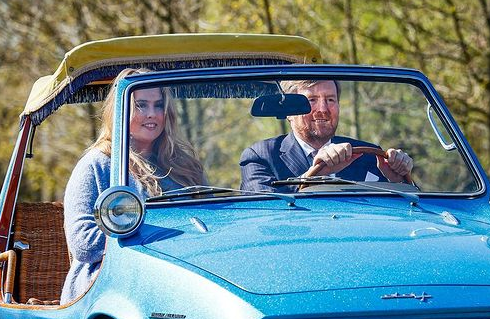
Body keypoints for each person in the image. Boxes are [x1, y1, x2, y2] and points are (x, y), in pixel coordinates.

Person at [60, 68, 205, 304]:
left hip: (186, 277)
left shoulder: (186, 166)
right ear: (119, 110)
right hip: (108, 288)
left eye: (159, 105)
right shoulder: (97, 165)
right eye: (141, 105)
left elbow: (212, 220)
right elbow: (83, 242)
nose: (152, 114)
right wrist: (163, 237)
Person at [240, 80, 413, 192]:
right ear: (289, 113)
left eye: (330, 100)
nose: (322, 109)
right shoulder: (261, 156)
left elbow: (406, 214)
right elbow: (263, 215)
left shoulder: (370, 155)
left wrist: (398, 181)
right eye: (311, 100)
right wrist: (312, 176)